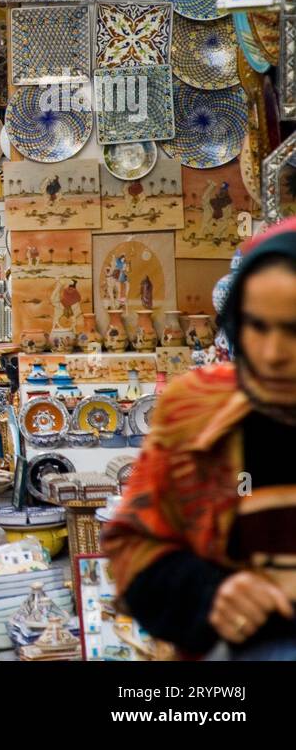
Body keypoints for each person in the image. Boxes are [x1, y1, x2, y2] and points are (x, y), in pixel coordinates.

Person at [104, 218, 296, 659]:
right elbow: (133, 543)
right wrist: (212, 594)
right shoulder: (196, 408)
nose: (272, 354)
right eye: (258, 326)